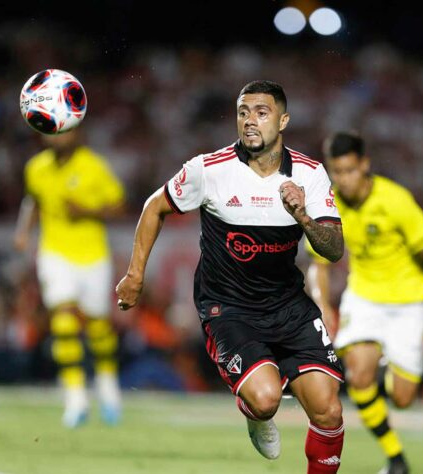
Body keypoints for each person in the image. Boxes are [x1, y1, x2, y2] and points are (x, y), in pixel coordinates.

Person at [116, 80, 346, 473]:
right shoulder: (209, 170)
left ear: (283, 120)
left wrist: (303, 216)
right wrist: (135, 274)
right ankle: (256, 415)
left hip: (288, 305)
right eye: (243, 112)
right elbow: (155, 206)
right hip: (230, 308)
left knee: (328, 410)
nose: (250, 121)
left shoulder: (310, 175)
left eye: (261, 112)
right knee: (265, 398)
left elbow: (333, 248)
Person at [306, 132, 423, 474]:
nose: (343, 179)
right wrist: (323, 304)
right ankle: (396, 459)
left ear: (364, 165)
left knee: (403, 399)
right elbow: (317, 264)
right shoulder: (330, 204)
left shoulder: (395, 200)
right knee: (357, 374)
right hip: (365, 297)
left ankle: (387, 369)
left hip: (410, 302)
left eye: (350, 170)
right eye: (336, 172)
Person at [14, 128, 126, 427]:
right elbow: (33, 200)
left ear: (77, 134)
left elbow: (119, 205)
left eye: (65, 132)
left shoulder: (94, 166)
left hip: (92, 256)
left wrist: (87, 211)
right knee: (62, 320)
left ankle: (106, 382)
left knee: (97, 326)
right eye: (53, 133)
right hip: (54, 254)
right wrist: (24, 231)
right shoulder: (36, 167)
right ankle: (75, 397)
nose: (58, 138)